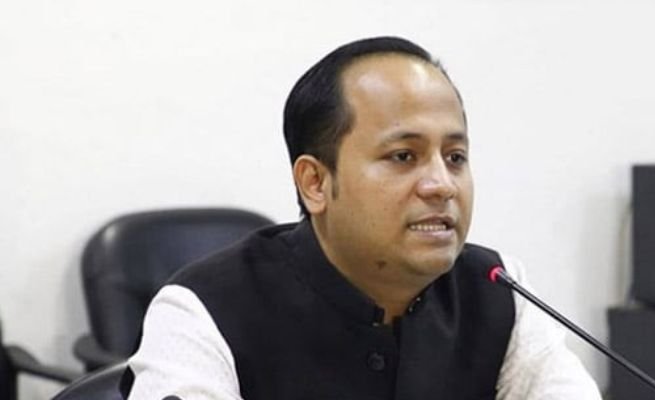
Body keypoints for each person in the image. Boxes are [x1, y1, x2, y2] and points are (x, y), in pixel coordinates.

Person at [127, 37, 602, 400]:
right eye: (403, 156)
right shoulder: (204, 310)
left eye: (455, 157)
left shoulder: (498, 290)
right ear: (315, 183)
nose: (441, 184)